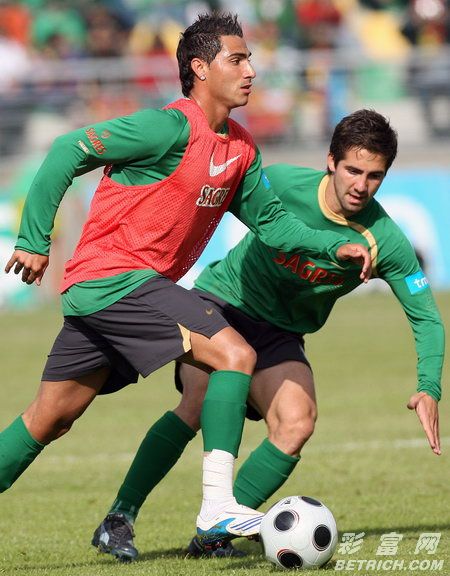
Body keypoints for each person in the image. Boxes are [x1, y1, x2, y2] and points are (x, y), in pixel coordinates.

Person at [1, 12, 371, 549]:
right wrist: (34, 239)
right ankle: (218, 507)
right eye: (236, 60)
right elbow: (67, 150)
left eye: (250, 60)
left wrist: (331, 245)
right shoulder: (167, 127)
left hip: (117, 292)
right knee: (235, 354)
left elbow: (272, 223)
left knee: (49, 419)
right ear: (199, 68)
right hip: (115, 280)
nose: (250, 71)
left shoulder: (241, 149)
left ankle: (147, 514)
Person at [90, 109, 444, 562]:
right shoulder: (281, 183)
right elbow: (207, 194)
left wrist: (428, 387)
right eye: (353, 170)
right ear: (331, 161)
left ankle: (214, 533)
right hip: (223, 302)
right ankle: (119, 517)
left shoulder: (385, 240)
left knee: (297, 422)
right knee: (197, 402)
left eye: (374, 176)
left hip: (280, 332)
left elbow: (426, 316)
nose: (361, 185)